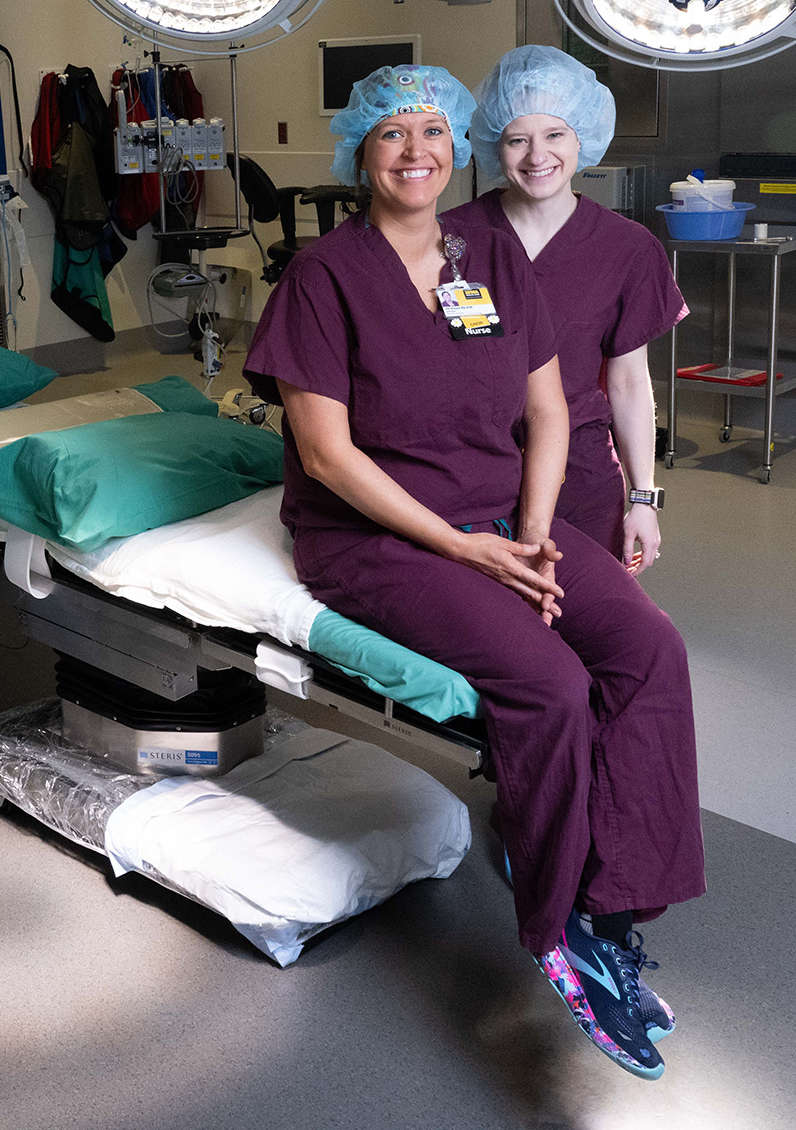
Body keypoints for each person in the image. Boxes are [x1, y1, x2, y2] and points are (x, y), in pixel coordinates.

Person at [243, 65, 705, 1081]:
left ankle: (610, 904)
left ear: (457, 147)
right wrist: (466, 549)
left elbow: (549, 409)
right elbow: (325, 455)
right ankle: (554, 929)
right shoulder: (321, 275)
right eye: (392, 135)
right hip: (378, 539)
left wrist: (534, 533)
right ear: (359, 154)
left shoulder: (488, 252)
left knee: (646, 650)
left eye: (433, 132)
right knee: (545, 683)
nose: (416, 151)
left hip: (506, 515)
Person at [442, 47, 687, 573]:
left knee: (582, 621)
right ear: (493, 145)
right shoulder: (451, 238)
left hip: (580, 475)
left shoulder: (628, 248)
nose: (537, 156)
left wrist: (644, 498)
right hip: (469, 471)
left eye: (555, 135)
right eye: (517, 139)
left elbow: (628, 382)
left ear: (583, 137)